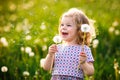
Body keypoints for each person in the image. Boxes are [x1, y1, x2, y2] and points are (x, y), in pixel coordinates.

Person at [43, 8, 95, 80]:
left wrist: (84, 63)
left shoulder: (84, 49)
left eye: (68, 25)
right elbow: (46, 68)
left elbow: (90, 72)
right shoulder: (57, 48)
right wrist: (50, 55)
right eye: (62, 25)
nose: (63, 27)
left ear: (79, 30)